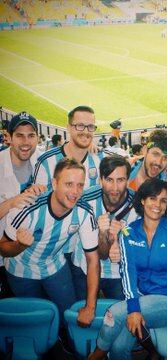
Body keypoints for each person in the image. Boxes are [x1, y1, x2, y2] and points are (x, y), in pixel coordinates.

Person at [89, 178, 167, 360]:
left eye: (163, 200)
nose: (158, 204)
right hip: (144, 298)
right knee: (118, 348)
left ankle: (95, 355)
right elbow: (128, 274)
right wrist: (135, 308)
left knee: (114, 313)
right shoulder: (128, 233)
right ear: (143, 200)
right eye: (153, 198)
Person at [0, 158, 99, 327]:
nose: (75, 191)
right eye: (68, 184)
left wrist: (90, 307)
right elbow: (3, 248)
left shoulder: (84, 211)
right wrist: (20, 245)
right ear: (54, 183)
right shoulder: (28, 207)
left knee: (68, 313)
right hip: (21, 269)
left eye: (80, 185)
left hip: (54, 264)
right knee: (34, 318)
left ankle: (63, 341)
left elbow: (93, 260)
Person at [71, 156, 137, 300]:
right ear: (101, 180)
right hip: (85, 266)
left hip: (117, 273)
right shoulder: (85, 198)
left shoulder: (138, 204)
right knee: (81, 311)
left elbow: (143, 239)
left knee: (118, 317)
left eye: (120, 180)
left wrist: (125, 248)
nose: (114, 187)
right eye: (109, 180)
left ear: (128, 180)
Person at [0, 112, 44, 299]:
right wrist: (11, 202)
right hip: (3, 255)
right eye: (19, 135)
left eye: (31, 135)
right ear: (8, 137)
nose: (26, 141)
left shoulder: (44, 161)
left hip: (34, 253)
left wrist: (90, 146)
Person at [33, 105, 104, 191]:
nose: (86, 131)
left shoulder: (102, 158)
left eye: (90, 127)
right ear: (68, 128)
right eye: (80, 126)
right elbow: (38, 200)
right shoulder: (46, 161)